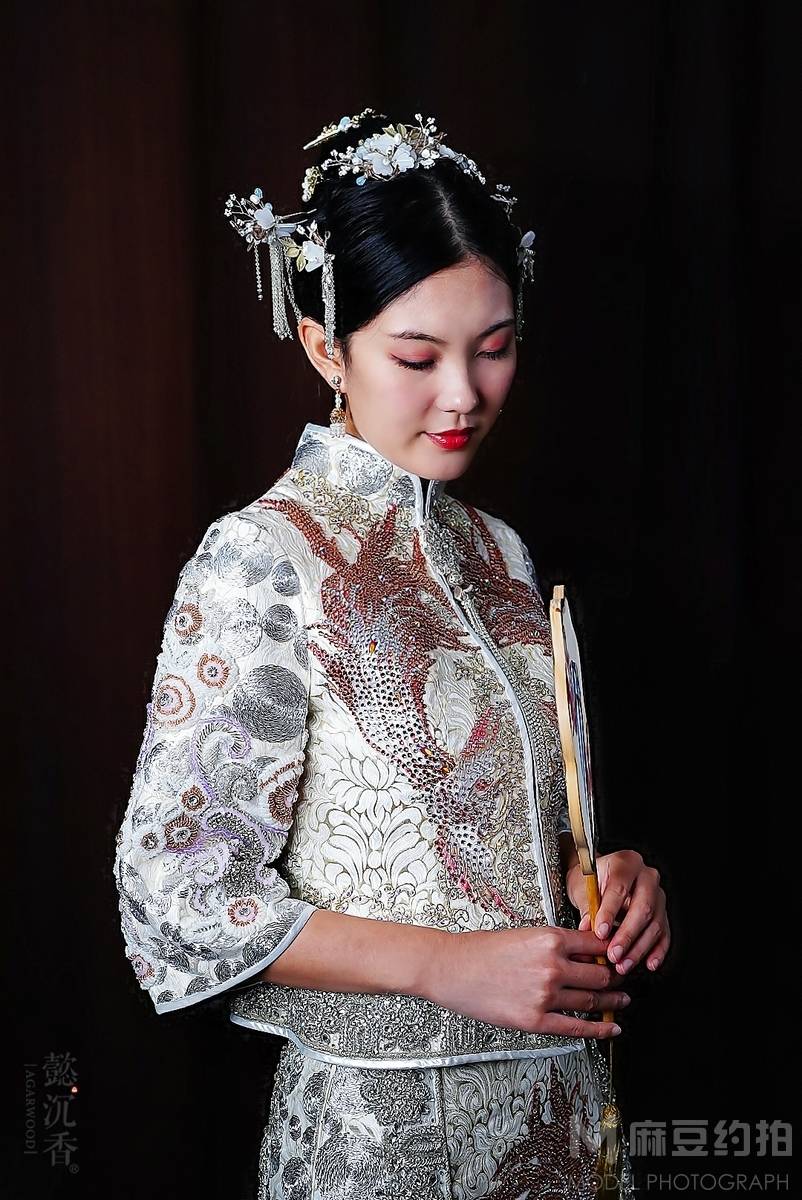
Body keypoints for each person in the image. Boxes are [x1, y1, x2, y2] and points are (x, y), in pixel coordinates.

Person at [113, 109, 670, 1200]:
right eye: (417, 356)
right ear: (327, 346)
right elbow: (175, 893)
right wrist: (443, 966)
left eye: (494, 347)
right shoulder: (262, 559)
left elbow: (505, 827)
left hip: (566, 1114)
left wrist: (599, 879)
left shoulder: (500, 553)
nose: (463, 394)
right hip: (385, 1137)